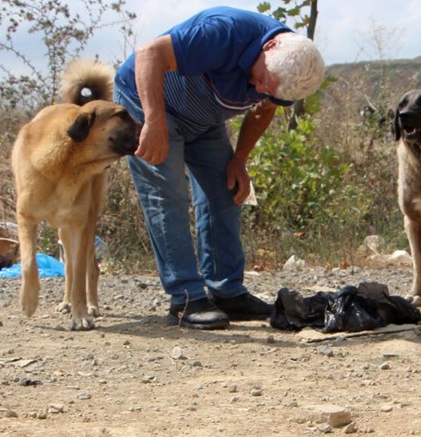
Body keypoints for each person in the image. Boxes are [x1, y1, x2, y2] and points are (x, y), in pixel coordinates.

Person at [115, 6, 325, 329]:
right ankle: (186, 299)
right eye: (264, 81)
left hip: (204, 117)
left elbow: (264, 109)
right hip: (153, 102)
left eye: (272, 90)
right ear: (268, 48)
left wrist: (239, 159)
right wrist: (153, 120)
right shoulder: (225, 32)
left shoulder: (283, 73)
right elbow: (149, 54)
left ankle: (227, 292)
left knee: (227, 190)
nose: (261, 90)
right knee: (168, 194)